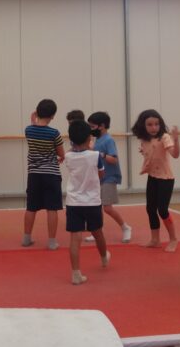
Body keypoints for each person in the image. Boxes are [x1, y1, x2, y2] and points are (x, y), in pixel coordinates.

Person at [63, 120, 110, 285]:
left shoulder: (68, 156)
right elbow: (101, 175)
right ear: (89, 138)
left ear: (71, 139)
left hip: (74, 202)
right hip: (92, 201)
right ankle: (104, 257)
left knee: (75, 238)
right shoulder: (95, 155)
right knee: (97, 232)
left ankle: (76, 273)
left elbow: (71, 153)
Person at [131, 109, 180, 252]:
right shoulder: (144, 139)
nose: (154, 128)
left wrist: (176, 140)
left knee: (162, 210)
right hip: (152, 177)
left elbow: (175, 154)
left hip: (166, 178)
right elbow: (150, 153)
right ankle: (155, 239)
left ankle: (173, 239)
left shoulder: (164, 137)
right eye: (150, 125)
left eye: (156, 124)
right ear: (143, 126)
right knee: (150, 209)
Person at [23, 99, 65, 250]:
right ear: (52, 115)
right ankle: (52, 242)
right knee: (52, 208)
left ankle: (26, 238)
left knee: (31, 207)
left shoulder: (29, 130)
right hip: (51, 174)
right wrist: (60, 157)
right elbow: (61, 153)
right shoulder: (54, 133)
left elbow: (33, 125)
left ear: (38, 111)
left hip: (34, 174)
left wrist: (33, 117)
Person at [86, 111, 132, 243]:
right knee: (96, 206)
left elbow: (114, 159)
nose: (91, 129)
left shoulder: (108, 140)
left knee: (107, 207)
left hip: (109, 177)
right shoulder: (97, 140)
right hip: (99, 177)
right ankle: (97, 231)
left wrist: (99, 154)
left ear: (101, 126)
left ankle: (125, 227)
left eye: (92, 126)